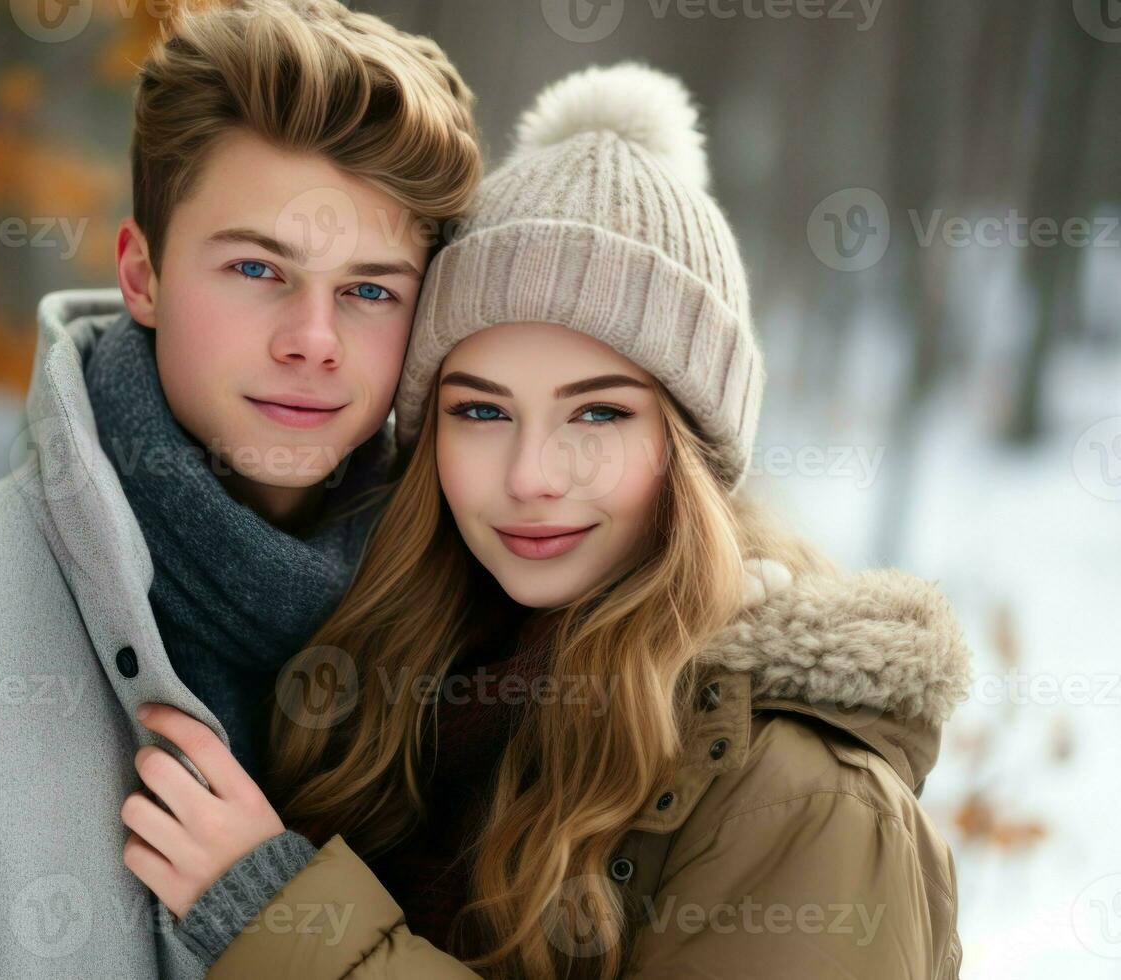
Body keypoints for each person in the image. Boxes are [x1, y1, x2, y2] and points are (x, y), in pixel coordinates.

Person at [119, 62, 971, 978]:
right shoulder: (401, 694)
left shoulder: (805, 798)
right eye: (481, 412)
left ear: (690, 446)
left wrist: (293, 924)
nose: (530, 476)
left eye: (598, 414)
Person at [0, 2, 481, 976]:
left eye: (369, 288)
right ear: (141, 273)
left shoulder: (507, 637)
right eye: (256, 266)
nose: (312, 337)